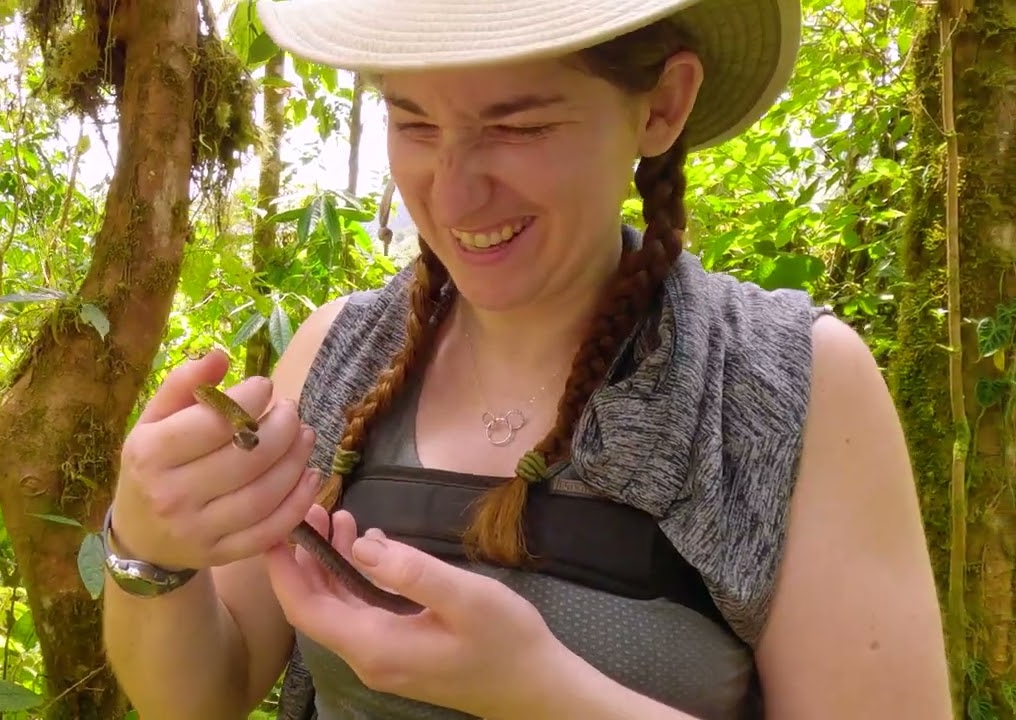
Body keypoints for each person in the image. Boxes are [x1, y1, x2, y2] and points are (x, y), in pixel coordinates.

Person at [101, 0, 952, 717]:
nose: (454, 193)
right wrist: (147, 546)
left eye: (519, 126)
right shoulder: (338, 354)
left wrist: (541, 692)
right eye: (414, 122)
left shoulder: (784, 382)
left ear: (661, 106)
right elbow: (204, 694)